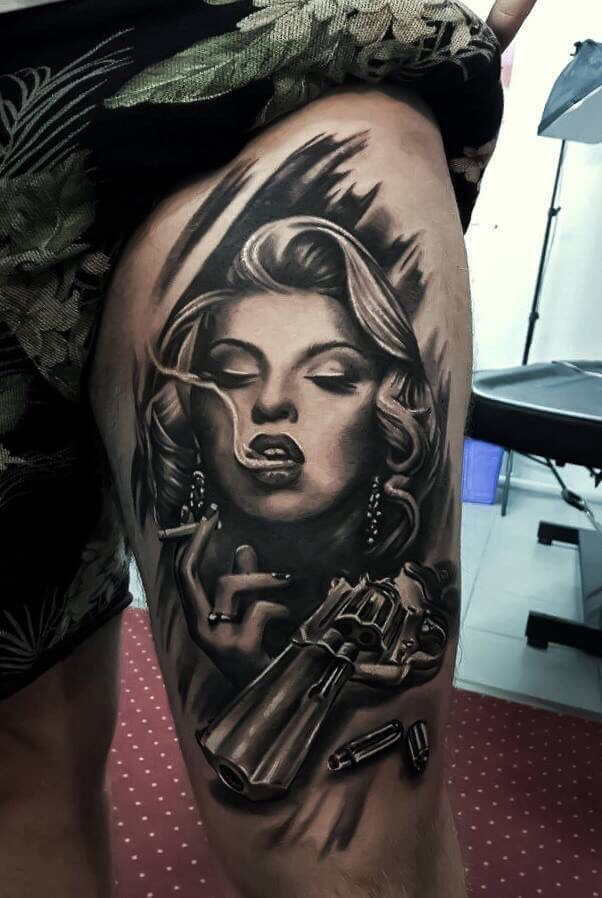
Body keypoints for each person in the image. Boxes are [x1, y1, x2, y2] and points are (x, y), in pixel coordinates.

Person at [0, 1, 538, 896]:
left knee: (354, 873)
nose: (273, 406)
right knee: (20, 745)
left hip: (275, 41)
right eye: (232, 372)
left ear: (388, 402)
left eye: (331, 375)